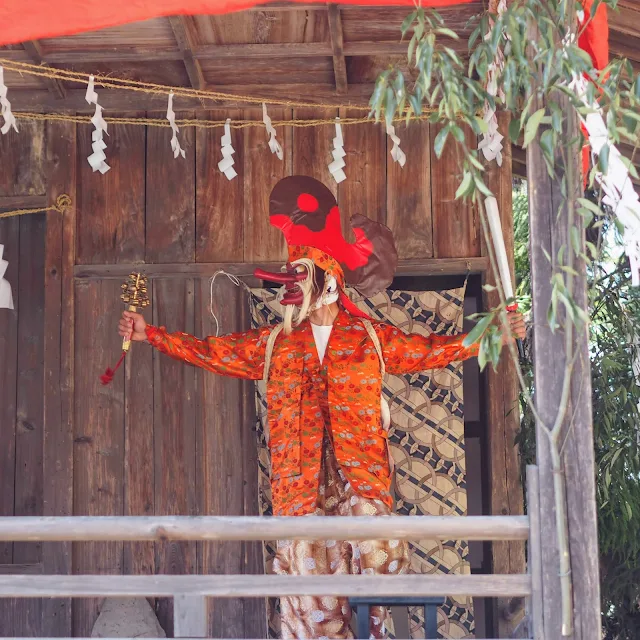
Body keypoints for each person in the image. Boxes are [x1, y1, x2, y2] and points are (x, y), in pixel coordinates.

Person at [118, 176, 525, 640]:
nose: (295, 287)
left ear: (328, 280)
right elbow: (214, 352)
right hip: (300, 487)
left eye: (303, 275)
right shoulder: (276, 343)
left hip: (361, 481)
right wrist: (150, 334)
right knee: (314, 604)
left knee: (377, 570)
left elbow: (434, 349)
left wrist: (496, 333)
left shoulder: (369, 338)